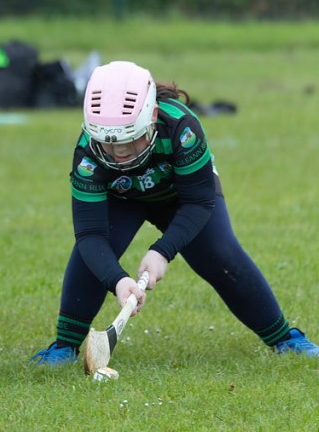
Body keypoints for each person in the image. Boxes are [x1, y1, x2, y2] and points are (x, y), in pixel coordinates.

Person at [29, 61, 319, 367]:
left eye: (130, 139)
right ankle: (64, 346)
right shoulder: (87, 152)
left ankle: (284, 338)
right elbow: (90, 234)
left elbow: (200, 202)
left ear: (152, 116)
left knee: (221, 254)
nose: (120, 153)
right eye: (109, 144)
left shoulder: (183, 127)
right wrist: (117, 280)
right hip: (122, 200)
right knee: (93, 256)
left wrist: (162, 251)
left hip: (183, 197)